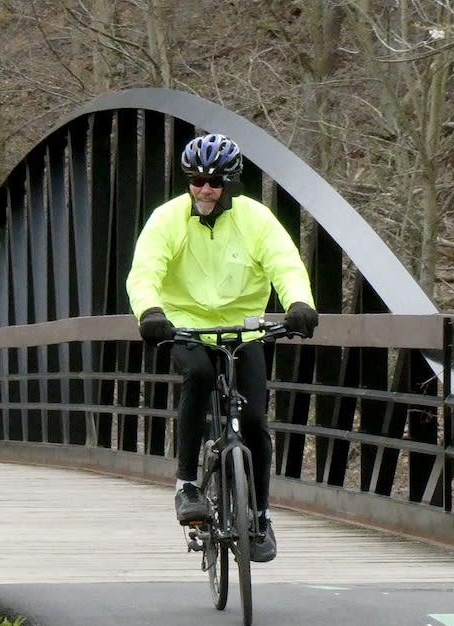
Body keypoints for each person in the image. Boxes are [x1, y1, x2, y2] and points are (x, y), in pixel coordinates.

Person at [126, 133, 319, 562]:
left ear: (231, 182)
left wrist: (299, 303)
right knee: (196, 375)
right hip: (187, 326)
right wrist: (151, 312)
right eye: (196, 181)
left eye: (214, 181)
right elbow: (145, 271)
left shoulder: (256, 219)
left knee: (253, 420)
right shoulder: (168, 219)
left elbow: (285, 263)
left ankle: (261, 515)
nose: (204, 189)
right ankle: (187, 485)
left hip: (243, 329)